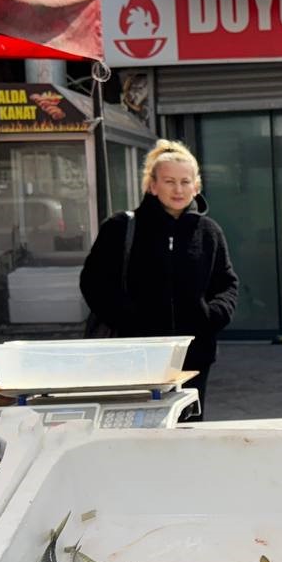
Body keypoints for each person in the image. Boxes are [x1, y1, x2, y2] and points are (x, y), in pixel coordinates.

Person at [80, 140, 238, 421]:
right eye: (169, 181)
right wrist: (128, 320)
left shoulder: (209, 232)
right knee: (136, 427)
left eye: (185, 181)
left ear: (196, 187)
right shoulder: (119, 228)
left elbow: (226, 284)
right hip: (133, 355)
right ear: (152, 186)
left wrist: (210, 316)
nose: (178, 189)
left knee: (187, 430)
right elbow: (94, 283)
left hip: (193, 356)